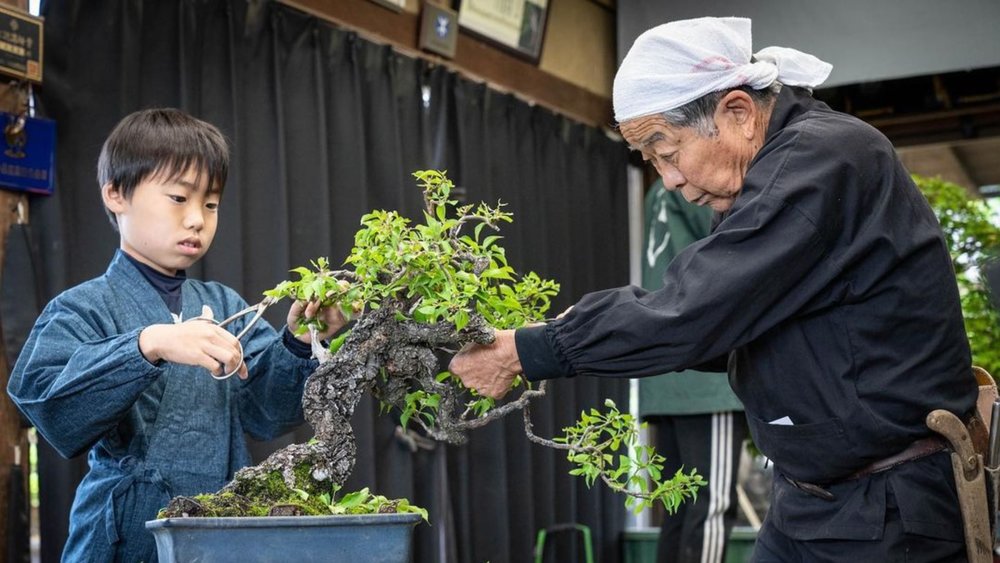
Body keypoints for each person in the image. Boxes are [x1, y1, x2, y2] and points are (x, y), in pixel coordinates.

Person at [449, 17, 979, 562]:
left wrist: (531, 349)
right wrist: (561, 334)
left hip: (889, 508)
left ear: (738, 113)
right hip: (810, 500)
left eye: (667, 151)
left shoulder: (825, 159)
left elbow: (693, 310)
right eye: (652, 162)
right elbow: (721, 328)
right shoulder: (761, 180)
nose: (670, 179)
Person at [7, 108, 346, 562]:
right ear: (116, 194)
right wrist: (148, 344)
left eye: (210, 204)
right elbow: (49, 405)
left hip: (218, 534)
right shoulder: (82, 307)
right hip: (122, 540)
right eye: (178, 198)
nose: (197, 219)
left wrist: (300, 340)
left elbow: (266, 412)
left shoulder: (224, 304)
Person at [641, 180, 748, 563]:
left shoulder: (657, 191)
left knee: (677, 504)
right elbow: (737, 247)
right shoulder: (697, 178)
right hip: (705, 378)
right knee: (711, 504)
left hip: (665, 375)